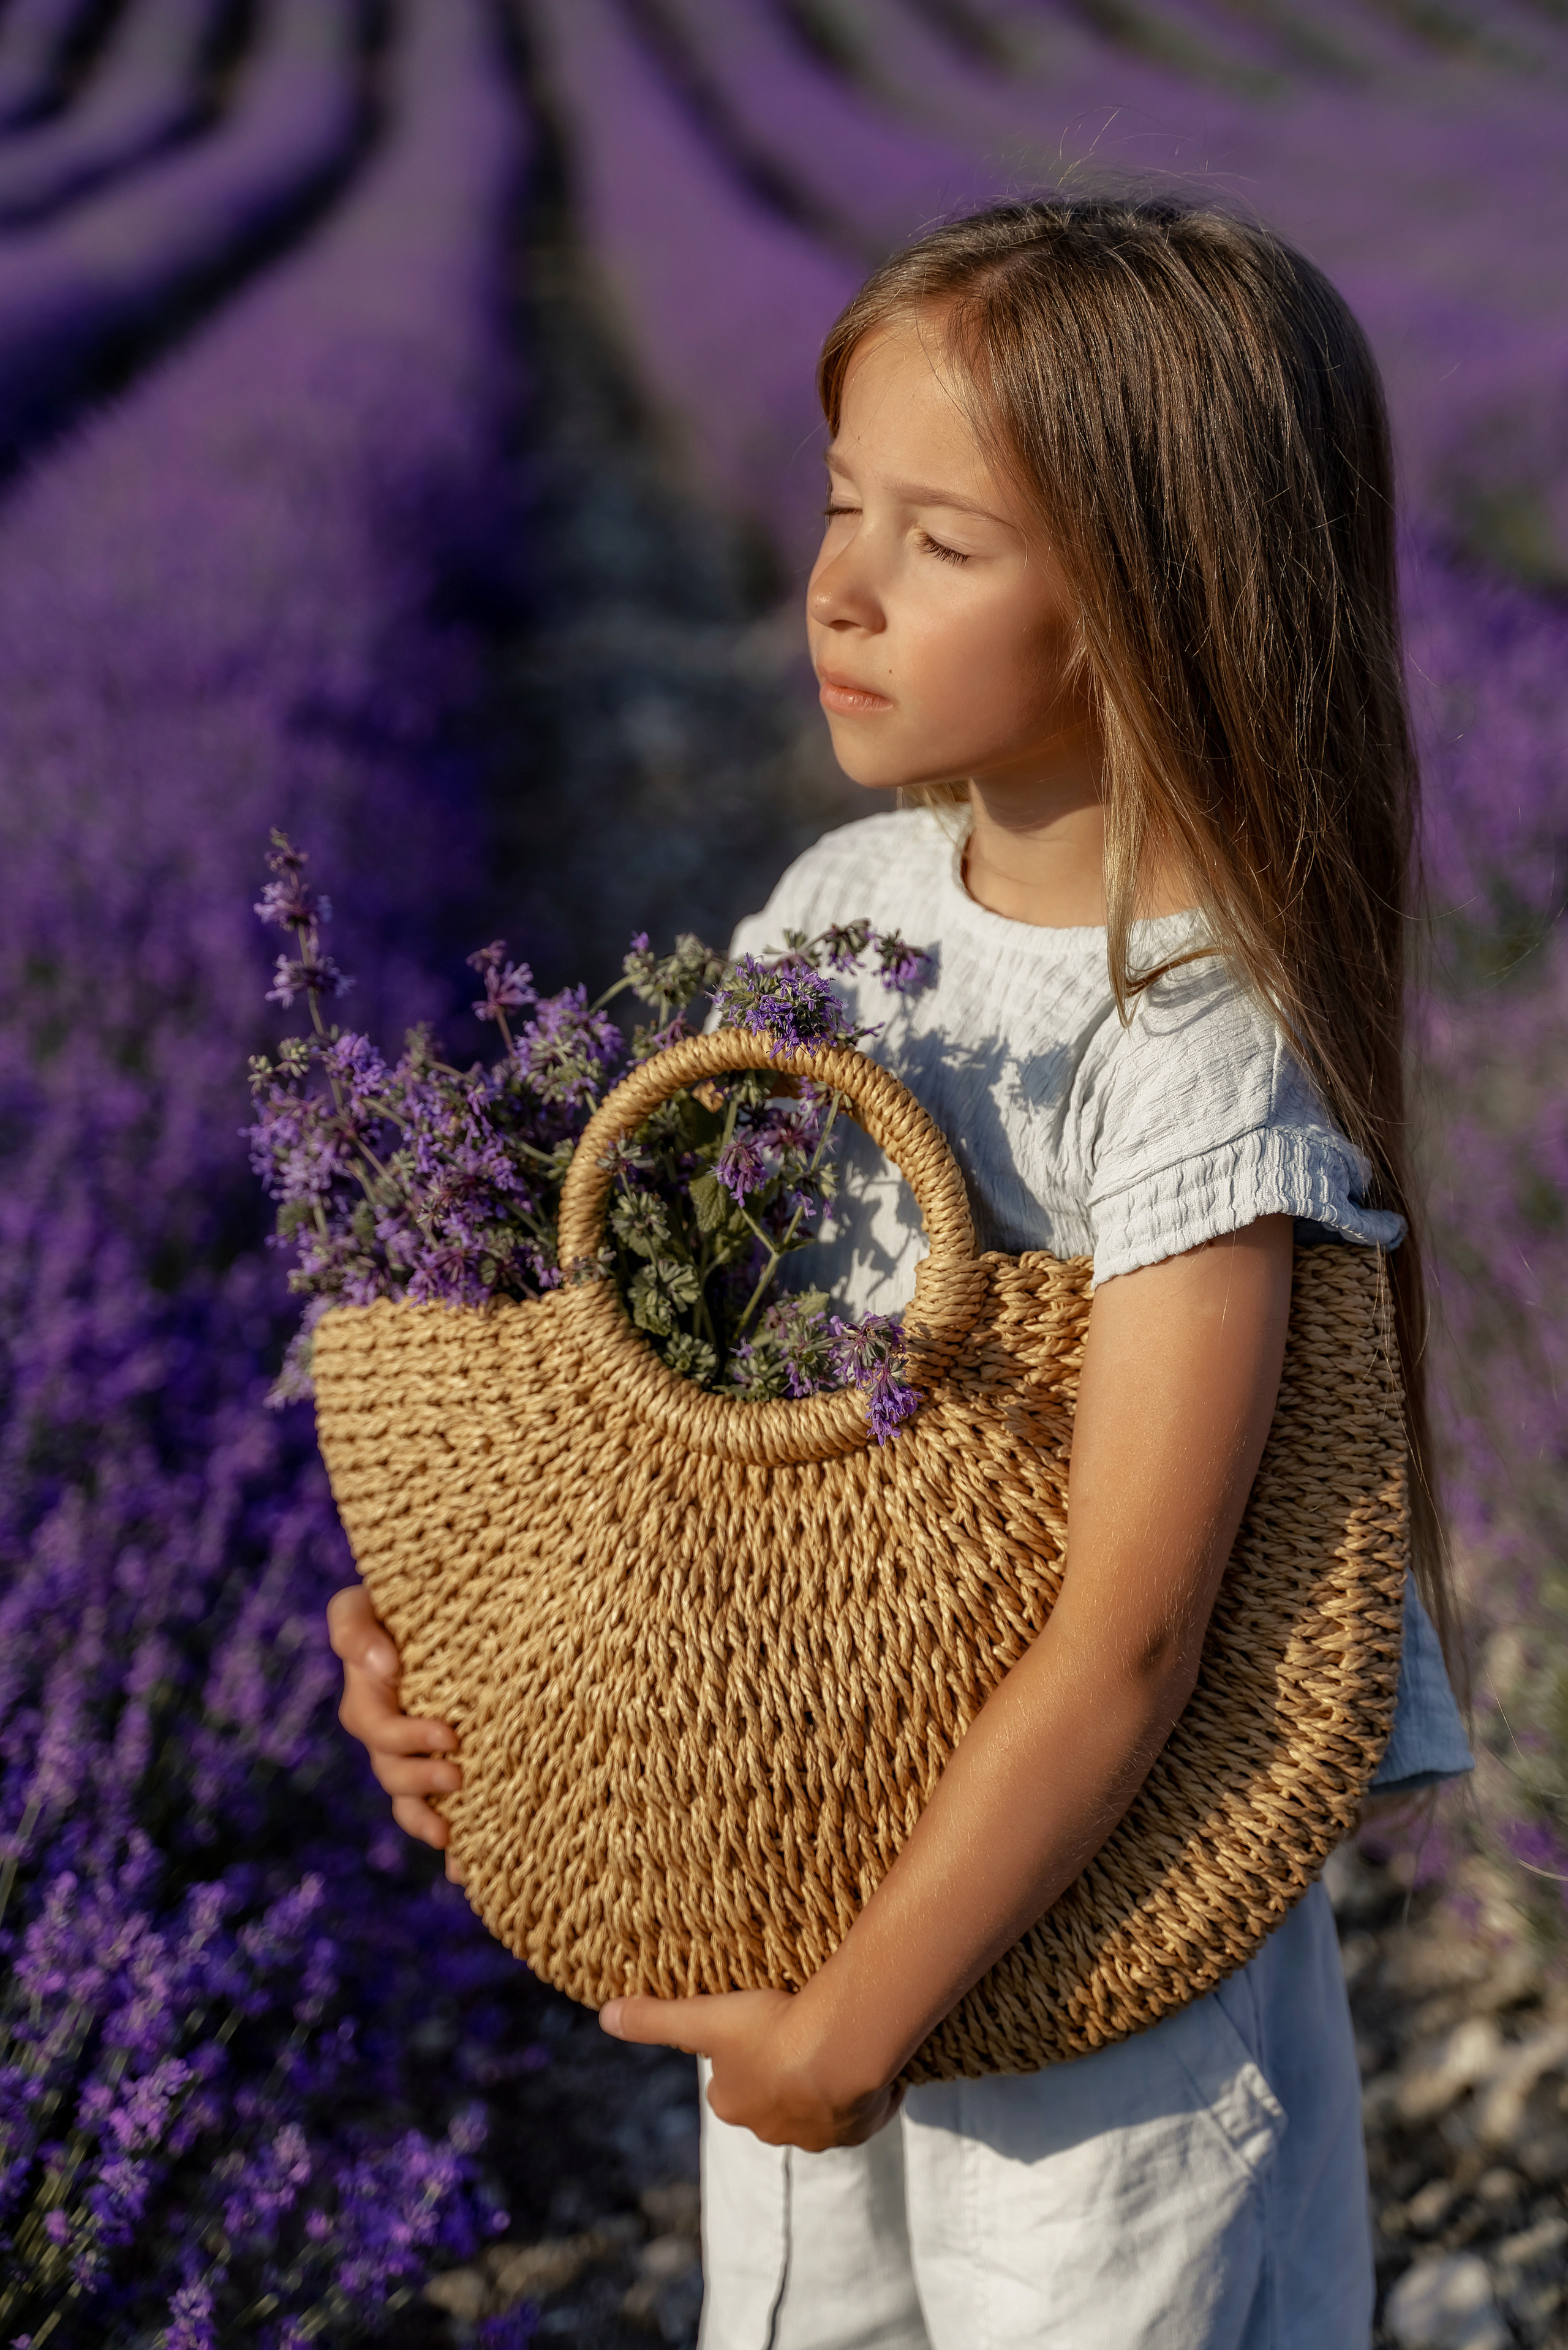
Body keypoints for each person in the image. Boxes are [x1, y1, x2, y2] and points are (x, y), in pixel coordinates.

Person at [330, 198, 1473, 2347]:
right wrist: (467, 1641)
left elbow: (1132, 1650)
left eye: (940, 545)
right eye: (846, 503)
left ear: (1160, 601)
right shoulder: (834, 915)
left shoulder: (1194, 1049)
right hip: (810, 1863)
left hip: (1097, 1983)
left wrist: (849, 2032)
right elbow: (688, 1418)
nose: (833, 586)